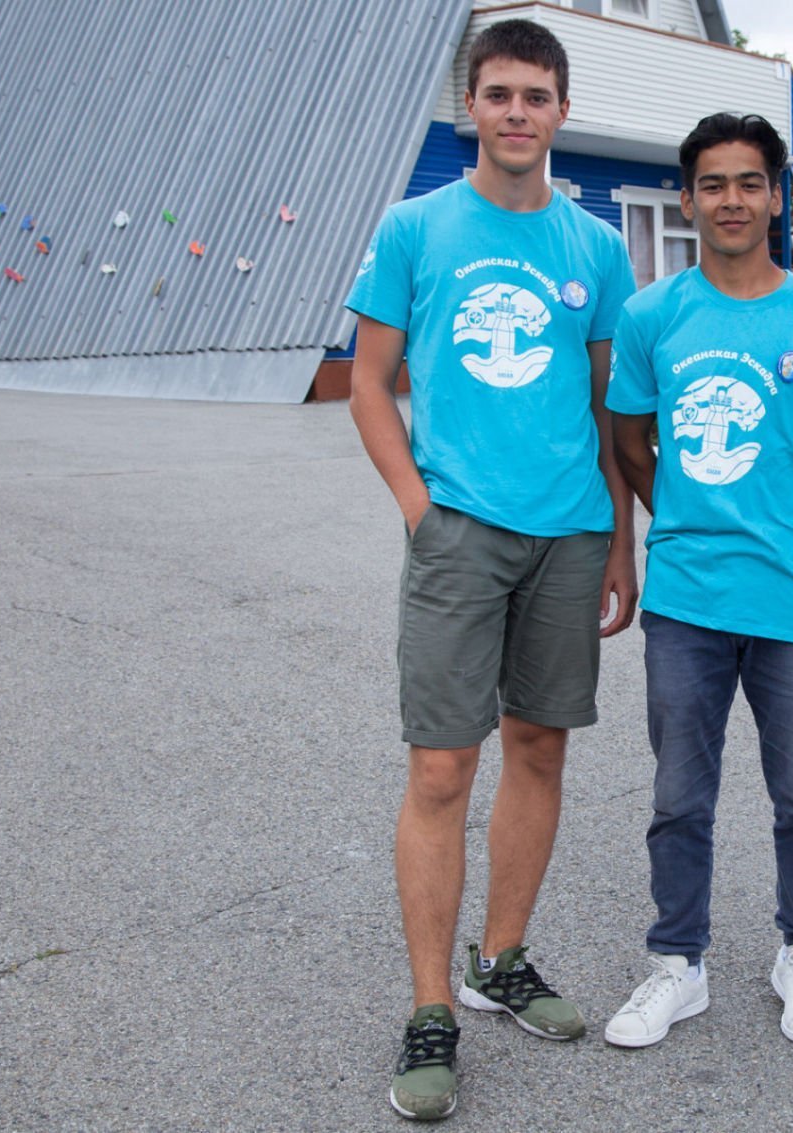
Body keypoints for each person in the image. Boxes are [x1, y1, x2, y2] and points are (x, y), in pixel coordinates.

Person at [343, 18, 638, 1123]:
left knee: (539, 747)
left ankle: (500, 957)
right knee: (439, 769)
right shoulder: (415, 228)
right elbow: (368, 382)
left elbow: (609, 408)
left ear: (562, 110)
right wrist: (420, 511)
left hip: (569, 536)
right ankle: (432, 1008)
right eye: (500, 94)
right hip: (458, 531)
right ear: (470, 105)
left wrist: (619, 540)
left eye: (536, 96)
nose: (518, 113)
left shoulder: (595, 249)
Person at [602, 113, 793, 1050]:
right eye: (713, 183)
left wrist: (789, 514)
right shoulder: (652, 316)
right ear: (687, 198)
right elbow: (627, 438)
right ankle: (678, 963)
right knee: (680, 795)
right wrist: (680, 509)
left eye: (750, 182)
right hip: (687, 596)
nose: (731, 199)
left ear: (774, 198)